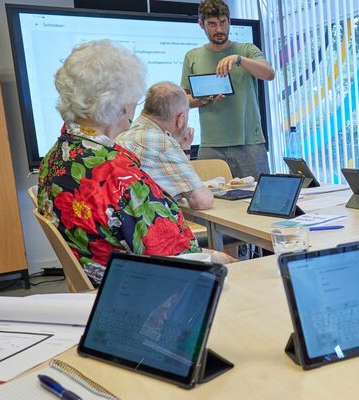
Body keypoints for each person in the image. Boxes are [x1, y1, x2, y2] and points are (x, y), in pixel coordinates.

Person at [37, 40, 228, 287]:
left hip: (102, 282)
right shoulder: (118, 174)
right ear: (121, 107)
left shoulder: (56, 156)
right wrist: (219, 258)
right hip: (142, 288)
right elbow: (178, 261)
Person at [180, 0, 275, 180]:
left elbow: (269, 74)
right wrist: (205, 98)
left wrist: (239, 60)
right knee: (212, 196)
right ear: (201, 24)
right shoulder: (192, 56)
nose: (219, 29)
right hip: (211, 145)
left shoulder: (246, 50)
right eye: (212, 24)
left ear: (229, 21)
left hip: (250, 143)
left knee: (259, 195)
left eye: (223, 22)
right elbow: (183, 100)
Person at [117, 82, 214, 210]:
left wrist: (184, 148)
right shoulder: (162, 142)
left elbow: (182, 185)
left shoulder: (126, 134)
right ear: (181, 119)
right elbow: (202, 201)